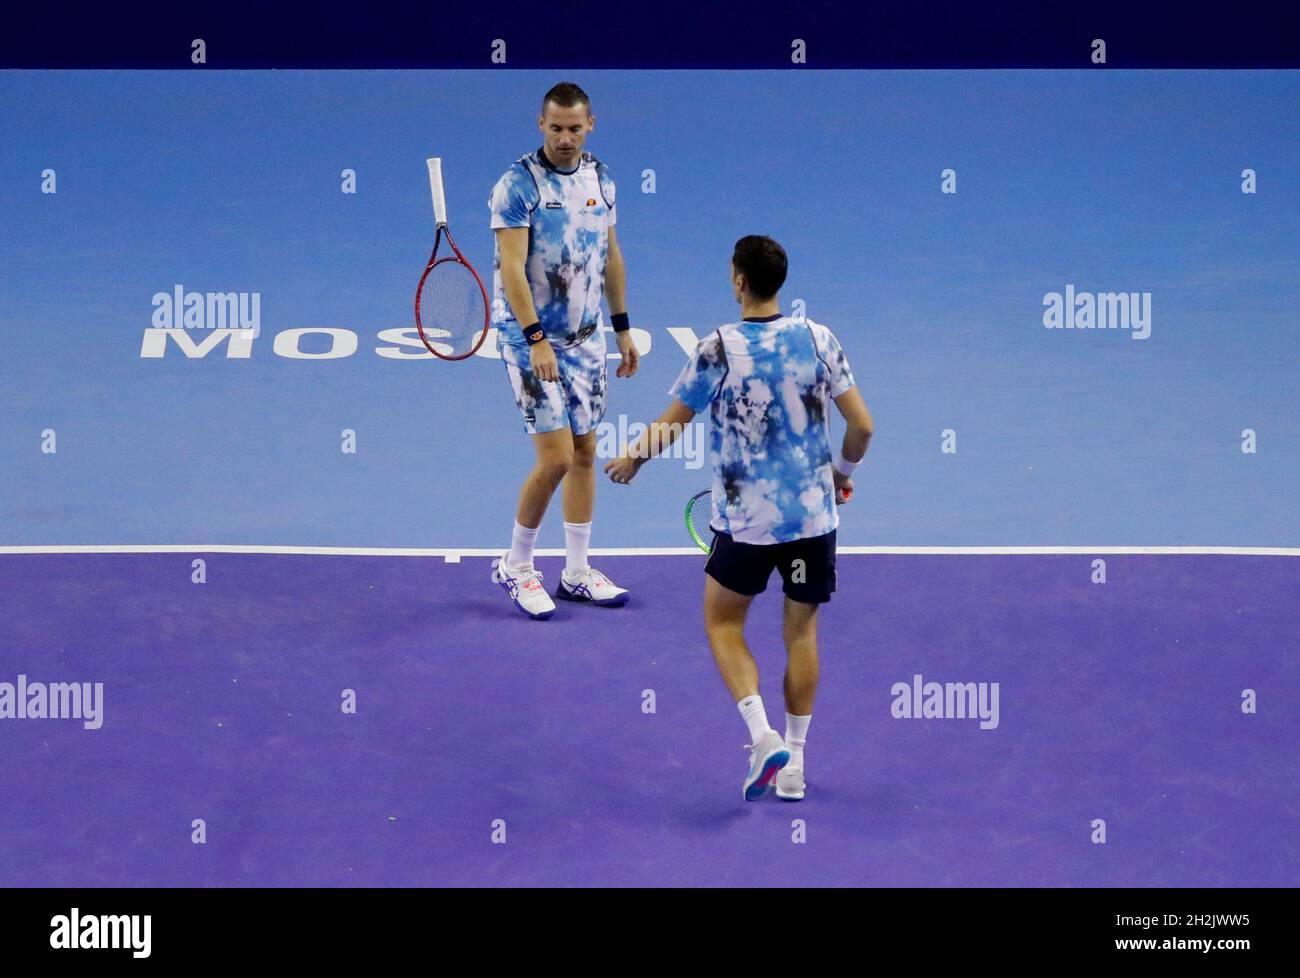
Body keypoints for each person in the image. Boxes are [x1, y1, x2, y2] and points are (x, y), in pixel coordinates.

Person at [604, 235, 874, 801]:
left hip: (745, 525)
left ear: (739, 282)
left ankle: (761, 736)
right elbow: (863, 427)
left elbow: (673, 422)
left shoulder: (718, 348)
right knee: (801, 632)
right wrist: (842, 475)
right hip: (812, 521)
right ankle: (795, 765)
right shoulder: (818, 338)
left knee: (724, 624)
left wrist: (632, 458)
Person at [487, 82, 639, 620]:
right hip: (529, 337)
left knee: (584, 453)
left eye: (575, 128)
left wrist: (621, 328)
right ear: (541, 125)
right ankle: (516, 565)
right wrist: (534, 340)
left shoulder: (601, 179)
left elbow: (611, 255)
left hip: (585, 337)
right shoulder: (516, 185)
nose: (566, 138)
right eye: (556, 128)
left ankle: (575, 572)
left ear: (590, 125)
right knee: (554, 458)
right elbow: (511, 267)